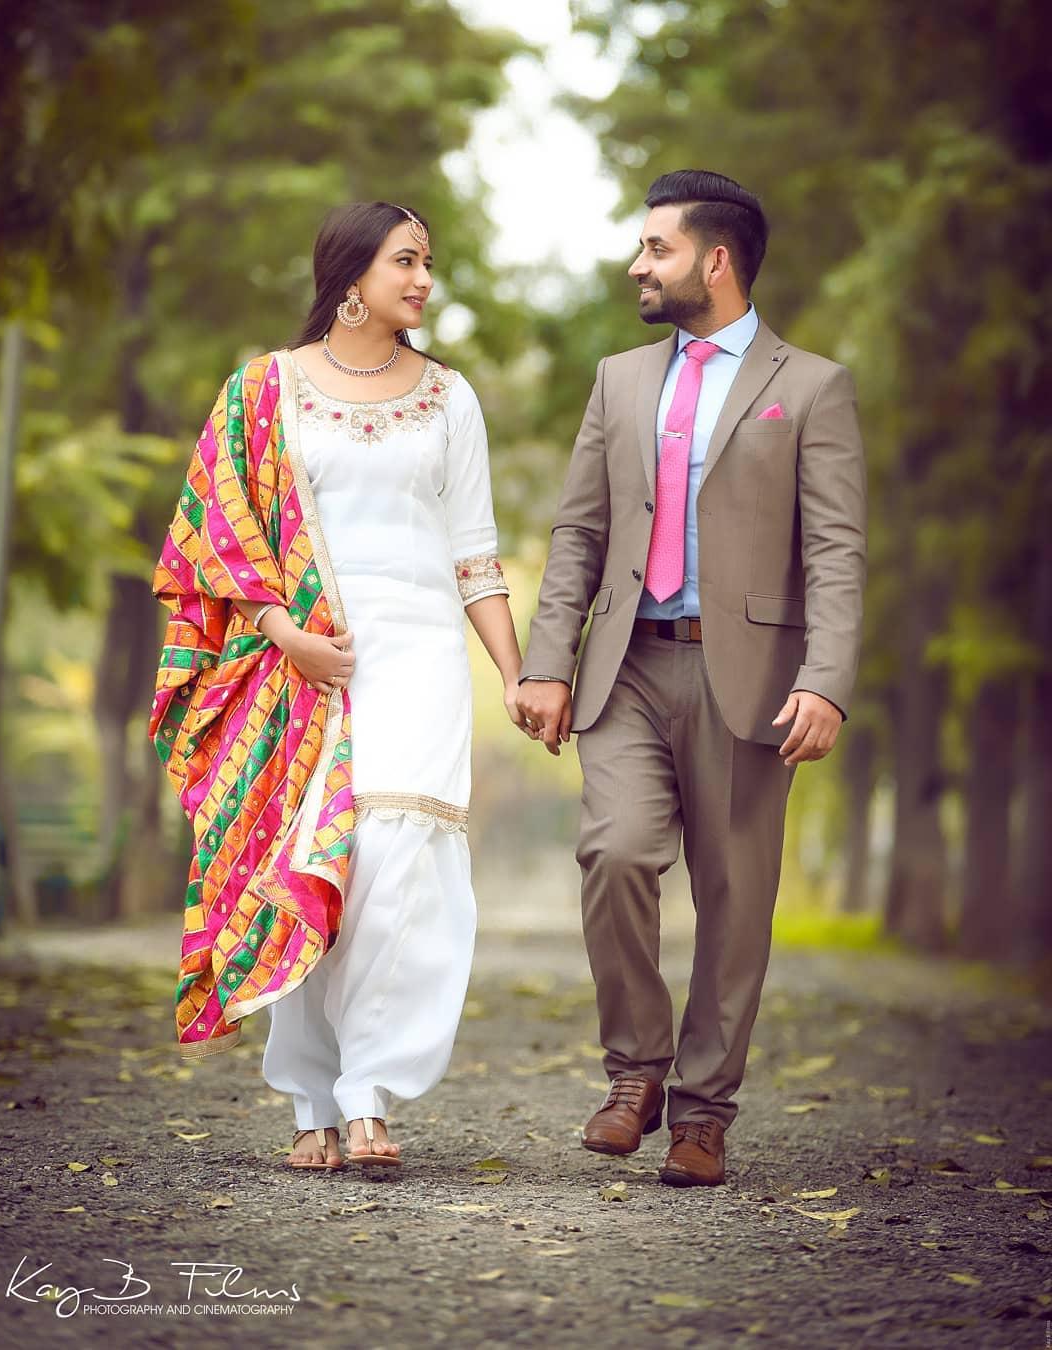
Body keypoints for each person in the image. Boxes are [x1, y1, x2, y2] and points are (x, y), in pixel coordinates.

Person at [151, 201, 524, 1171]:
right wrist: (287, 636)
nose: (424, 281)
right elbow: (216, 540)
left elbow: (475, 556)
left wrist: (519, 676)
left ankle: (368, 1095)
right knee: (319, 866)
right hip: (303, 667)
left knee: (397, 868)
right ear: (351, 274)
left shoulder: (450, 398)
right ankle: (309, 1099)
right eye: (406, 261)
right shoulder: (263, 392)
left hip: (420, 659)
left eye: (427, 263)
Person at [517, 170, 866, 1187]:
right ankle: (636, 1077)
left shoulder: (811, 387)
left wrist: (828, 676)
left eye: (656, 248)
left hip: (750, 678)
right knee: (615, 855)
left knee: (734, 897)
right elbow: (580, 530)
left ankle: (705, 1113)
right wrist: (548, 664)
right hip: (626, 667)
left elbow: (837, 550)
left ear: (715, 261)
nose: (638, 264)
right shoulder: (621, 379)